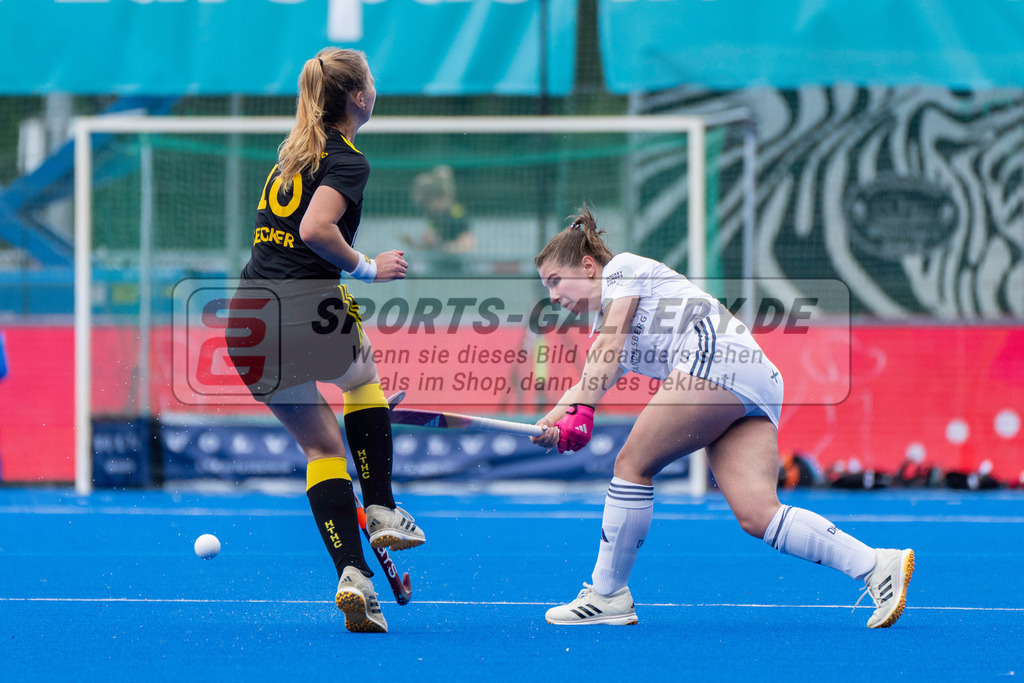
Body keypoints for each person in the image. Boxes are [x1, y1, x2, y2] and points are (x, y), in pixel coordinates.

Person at [531, 205, 914, 628]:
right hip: (756, 378)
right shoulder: (605, 323)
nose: (552, 296)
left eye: (555, 281)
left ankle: (607, 594)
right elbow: (591, 380)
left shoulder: (620, 271)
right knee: (758, 514)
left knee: (631, 464)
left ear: (588, 267)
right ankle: (877, 564)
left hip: (716, 361)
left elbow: (604, 356)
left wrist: (581, 410)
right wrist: (551, 421)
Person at [226, 47, 423, 634]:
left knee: (323, 450)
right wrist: (367, 267)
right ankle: (383, 506)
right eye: (372, 82)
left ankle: (353, 575)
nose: (375, 88)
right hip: (305, 307)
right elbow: (315, 229)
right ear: (358, 97)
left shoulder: (291, 157)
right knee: (362, 385)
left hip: (247, 322)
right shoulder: (347, 160)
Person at [405, 165, 475, 268]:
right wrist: (417, 244)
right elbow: (431, 242)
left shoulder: (457, 212)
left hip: (458, 267)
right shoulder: (433, 216)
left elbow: (467, 243)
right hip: (437, 266)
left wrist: (445, 248)